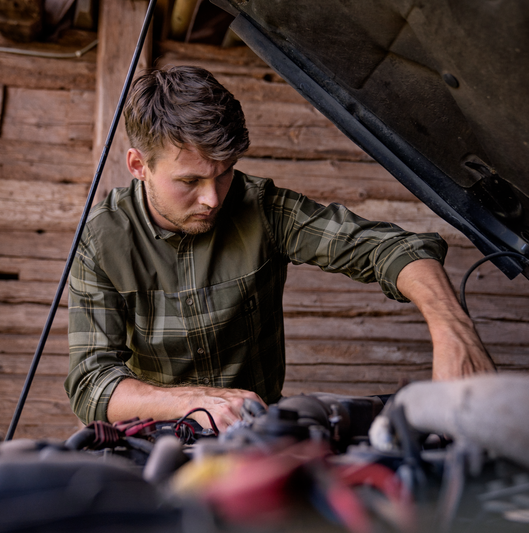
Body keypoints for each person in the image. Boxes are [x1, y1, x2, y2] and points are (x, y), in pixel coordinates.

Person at [65, 66, 495, 431]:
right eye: (190, 181)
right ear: (139, 165)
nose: (213, 199)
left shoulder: (263, 208)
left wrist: (453, 329)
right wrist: (194, 403)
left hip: (259, 434)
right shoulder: (101, 240)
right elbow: (91, 383)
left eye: (224, 173)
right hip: (154, 440)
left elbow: (392, 248)